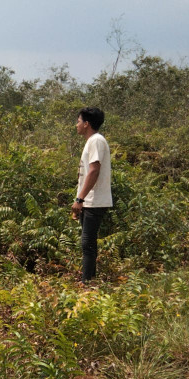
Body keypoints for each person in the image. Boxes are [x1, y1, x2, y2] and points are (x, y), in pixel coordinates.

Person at [71, 106, 112, 283]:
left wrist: (80, 199)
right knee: (88, 244)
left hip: (93, 201)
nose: (76, 125)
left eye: (78, 121)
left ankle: (86, 284)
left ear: (87, 124)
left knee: (87, 244)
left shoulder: (96, 140)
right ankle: (90, 281)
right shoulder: (93, 141)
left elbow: (94, 171)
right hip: (90, 200)